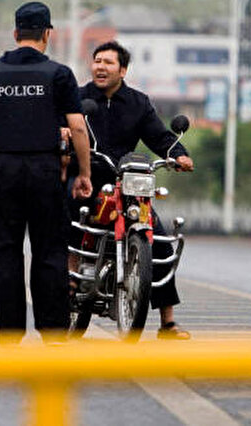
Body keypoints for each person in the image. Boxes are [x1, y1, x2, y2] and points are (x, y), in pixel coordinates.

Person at [0, 2, 92, 344]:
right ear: (48, 34)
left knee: (4, 251)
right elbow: (77, 128)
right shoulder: (59, 74)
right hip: (45, 171)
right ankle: (52, 334)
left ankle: (8, 337)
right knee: (50, 251)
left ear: (16, 33)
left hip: (2, 171)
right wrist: (84, 174)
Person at [70, 41, 194, 340]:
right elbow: (64, 129)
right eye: (97, 61)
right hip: (86, 177)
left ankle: (167, 323)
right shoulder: (78, 98)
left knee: (160, 239)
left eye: (108, 63)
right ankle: (71, 278)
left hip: (126, 181)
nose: (100, 67)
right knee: (68, 219)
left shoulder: (138, 103)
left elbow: (159, 135)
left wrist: (178, 154)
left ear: (123, 70)